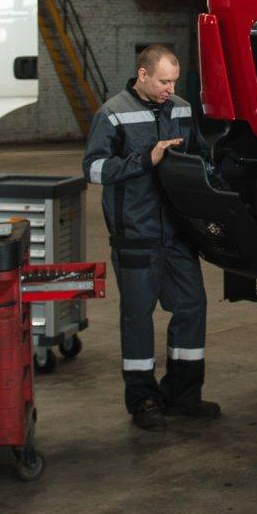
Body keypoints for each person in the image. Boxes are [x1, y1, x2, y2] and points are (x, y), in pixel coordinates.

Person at [82, 45, 220, 431]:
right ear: (142, 75)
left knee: (192, 306)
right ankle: (142, 399)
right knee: (138, 318)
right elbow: (92, 169)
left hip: (177, 234)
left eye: (174, 81)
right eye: (163, 81)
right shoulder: (112, 113)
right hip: (136, 234)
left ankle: (183, 394)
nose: (169, 88)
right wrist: (146, 159)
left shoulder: (180, 108)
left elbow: (198, 155)